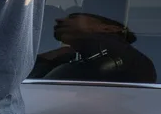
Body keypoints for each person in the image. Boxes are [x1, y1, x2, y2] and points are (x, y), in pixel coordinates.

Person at [28, 12, 156, 84]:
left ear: (108, 28)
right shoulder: (85, 56)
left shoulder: (118, 60)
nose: (58, 20)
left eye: (73, 17)